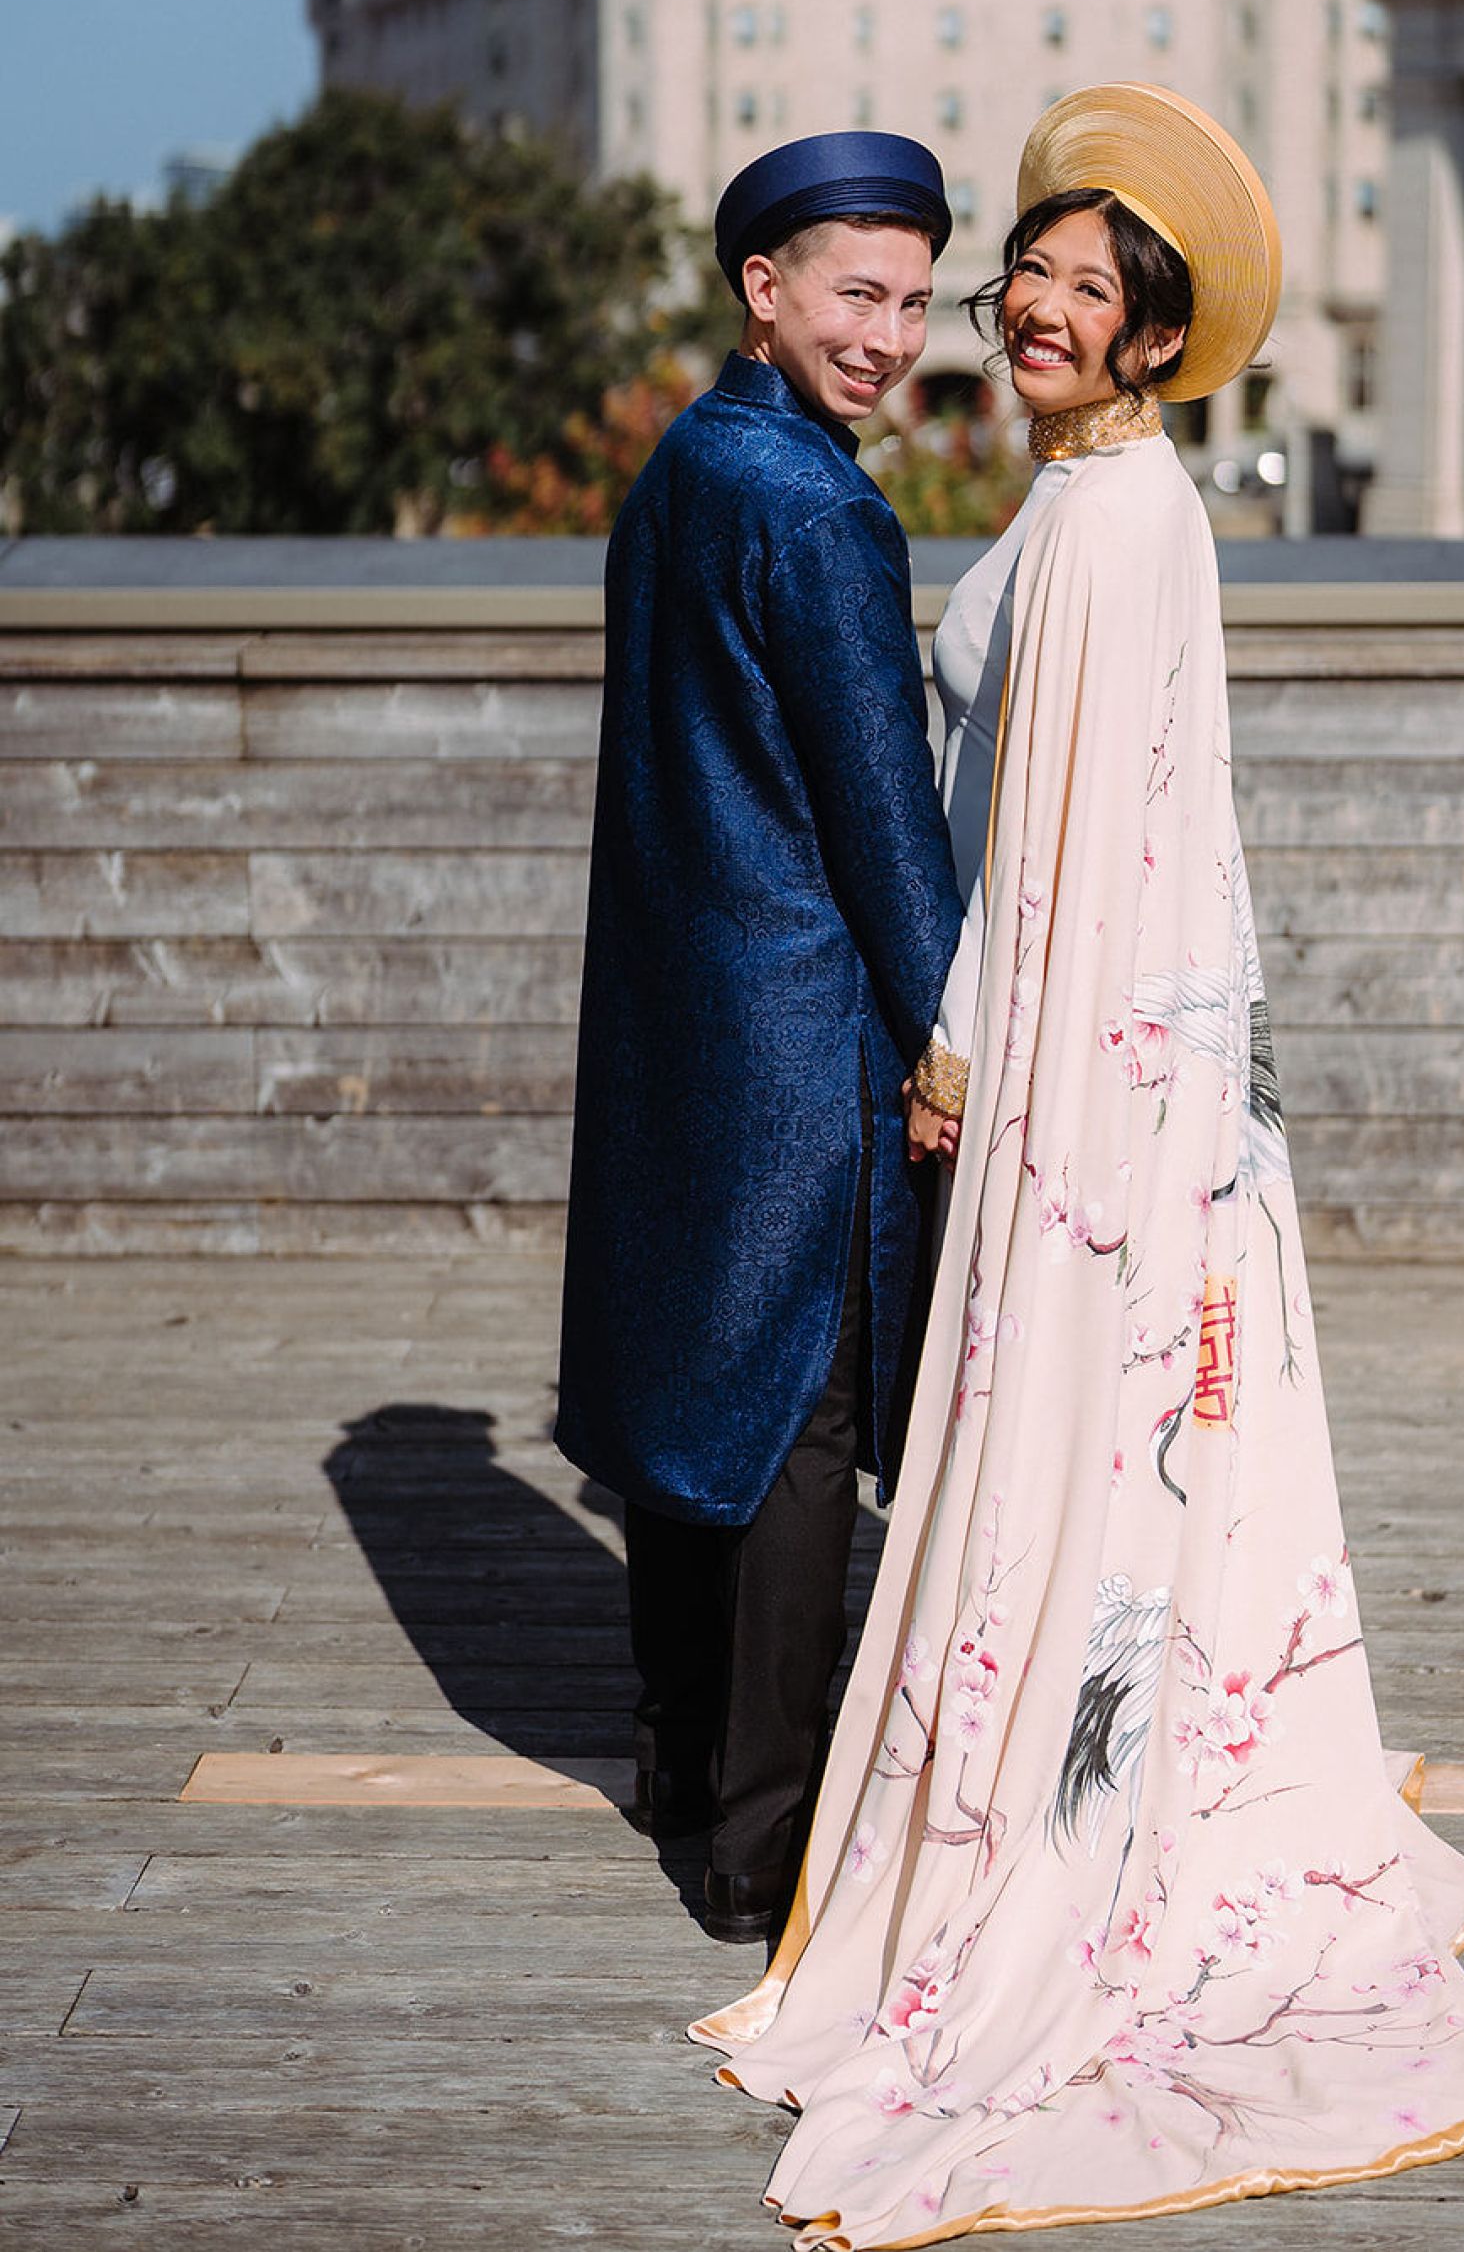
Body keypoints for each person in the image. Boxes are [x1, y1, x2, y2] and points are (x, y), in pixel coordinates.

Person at [693, 85, 1464, 2239]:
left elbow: (1092, 862)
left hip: (1071, 1097)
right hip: (1083, 1088)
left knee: (1065, 1474)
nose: (1048, 311)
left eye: (1098, 293)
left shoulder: (1116, 518)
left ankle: (1027, 1867)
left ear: (1159, 340)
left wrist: (981, 1063)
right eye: (1039, 276)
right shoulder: (1084, 495)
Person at [556, 133, 966, 1945]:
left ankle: (670, 1754)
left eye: (915, 299)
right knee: (797, 1419)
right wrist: (952, 1032)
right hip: (801, 1027)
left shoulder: (682, 468)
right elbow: (887, 822)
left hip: (677, 1008)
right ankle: (765, 1851)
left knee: (689, 1390)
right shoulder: (819, 507)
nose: (890, 335)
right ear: (766, 290)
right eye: (857, 293)